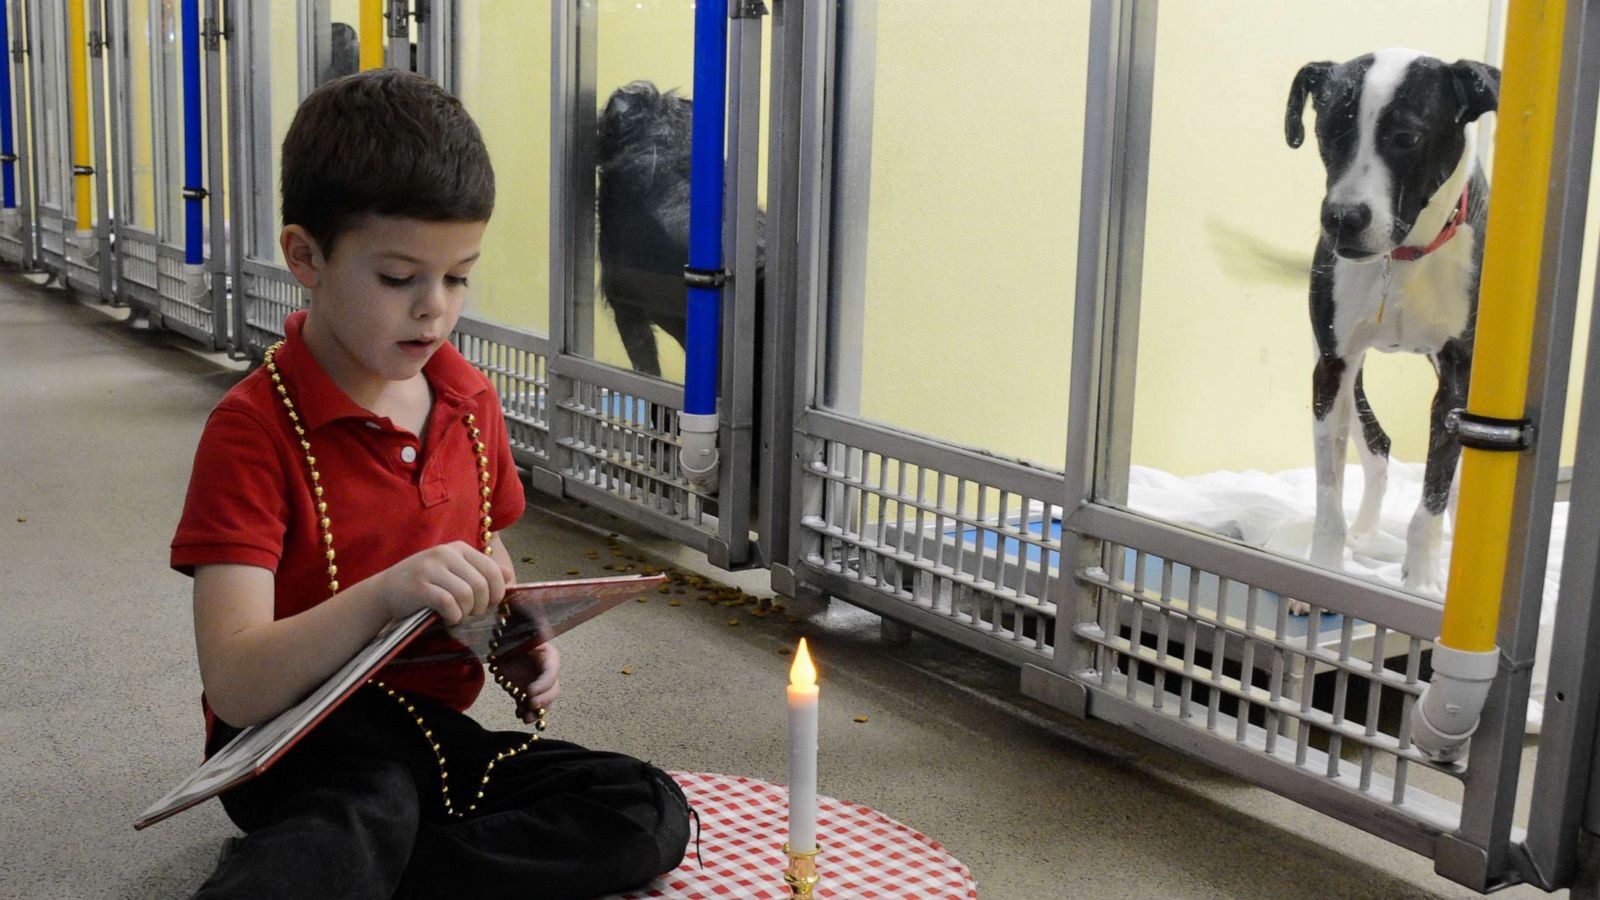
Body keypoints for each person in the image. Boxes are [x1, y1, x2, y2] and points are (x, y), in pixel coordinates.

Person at [170, 69, 689, 899]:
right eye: (398, 277)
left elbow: (485, 550)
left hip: (434, 734)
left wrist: (516, 634)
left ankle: (371, 875)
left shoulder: (467, 399)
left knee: (644, 807)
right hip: (303, 745)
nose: (433, 310)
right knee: (363, 810)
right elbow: (235, 683)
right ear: (305, 256)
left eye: (457, 277)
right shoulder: (254, 429)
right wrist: (386, 593)